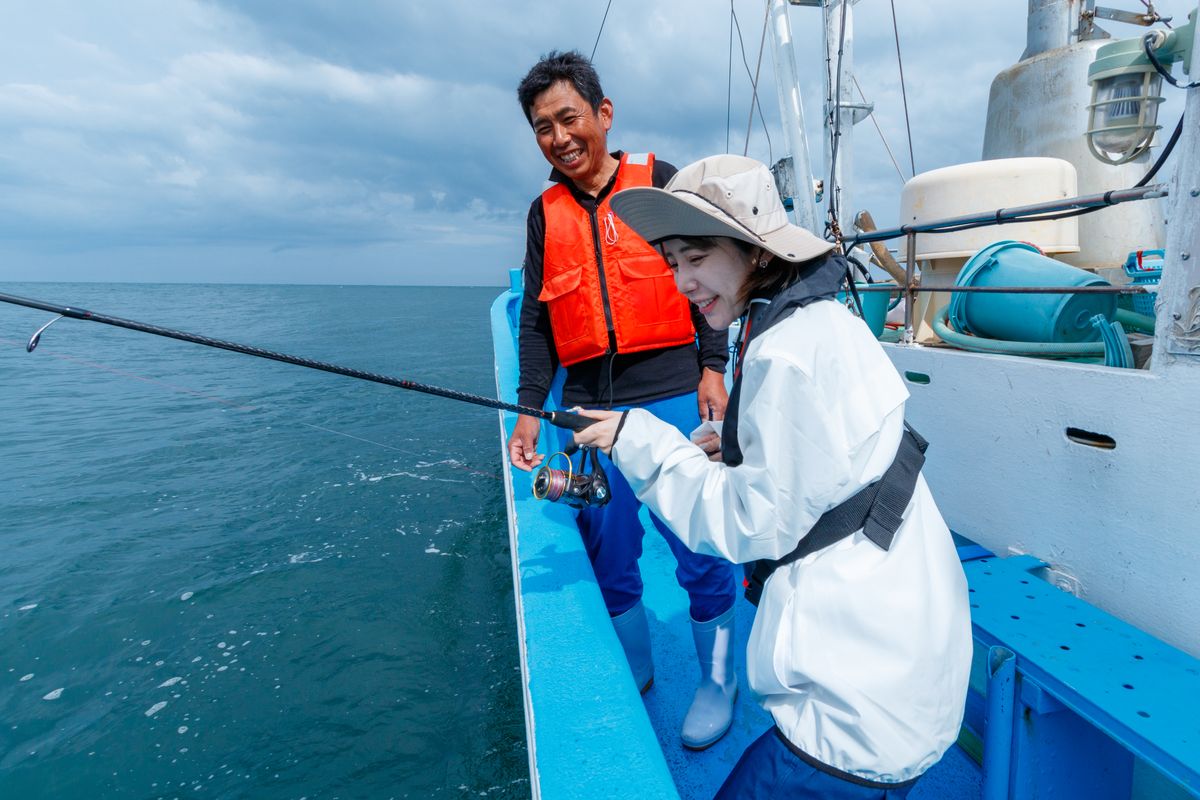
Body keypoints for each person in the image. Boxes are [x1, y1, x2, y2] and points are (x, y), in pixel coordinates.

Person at [575, 154, 972, 798]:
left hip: (854, 712)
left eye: (697, 258)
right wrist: (734, 449)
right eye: (674, 262)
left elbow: (744, 525)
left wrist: (636, 437)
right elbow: (825, 464)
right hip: (911, 661)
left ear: (755, 253)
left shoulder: (783, 353)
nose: (681, 283)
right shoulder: (823, 319)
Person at [508, 51, 740, 750]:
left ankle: (719, 678)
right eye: (543, 127)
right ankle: (635, 664)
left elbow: (710, 273)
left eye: (568, 117)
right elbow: (537, 319)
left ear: (603, 114)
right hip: (586, 411)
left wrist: (712, 365)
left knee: (702, 543)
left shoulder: (660, 183)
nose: (559, 137)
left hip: (673, 396)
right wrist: (528, 407)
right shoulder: (544, 214)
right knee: (609, 549)